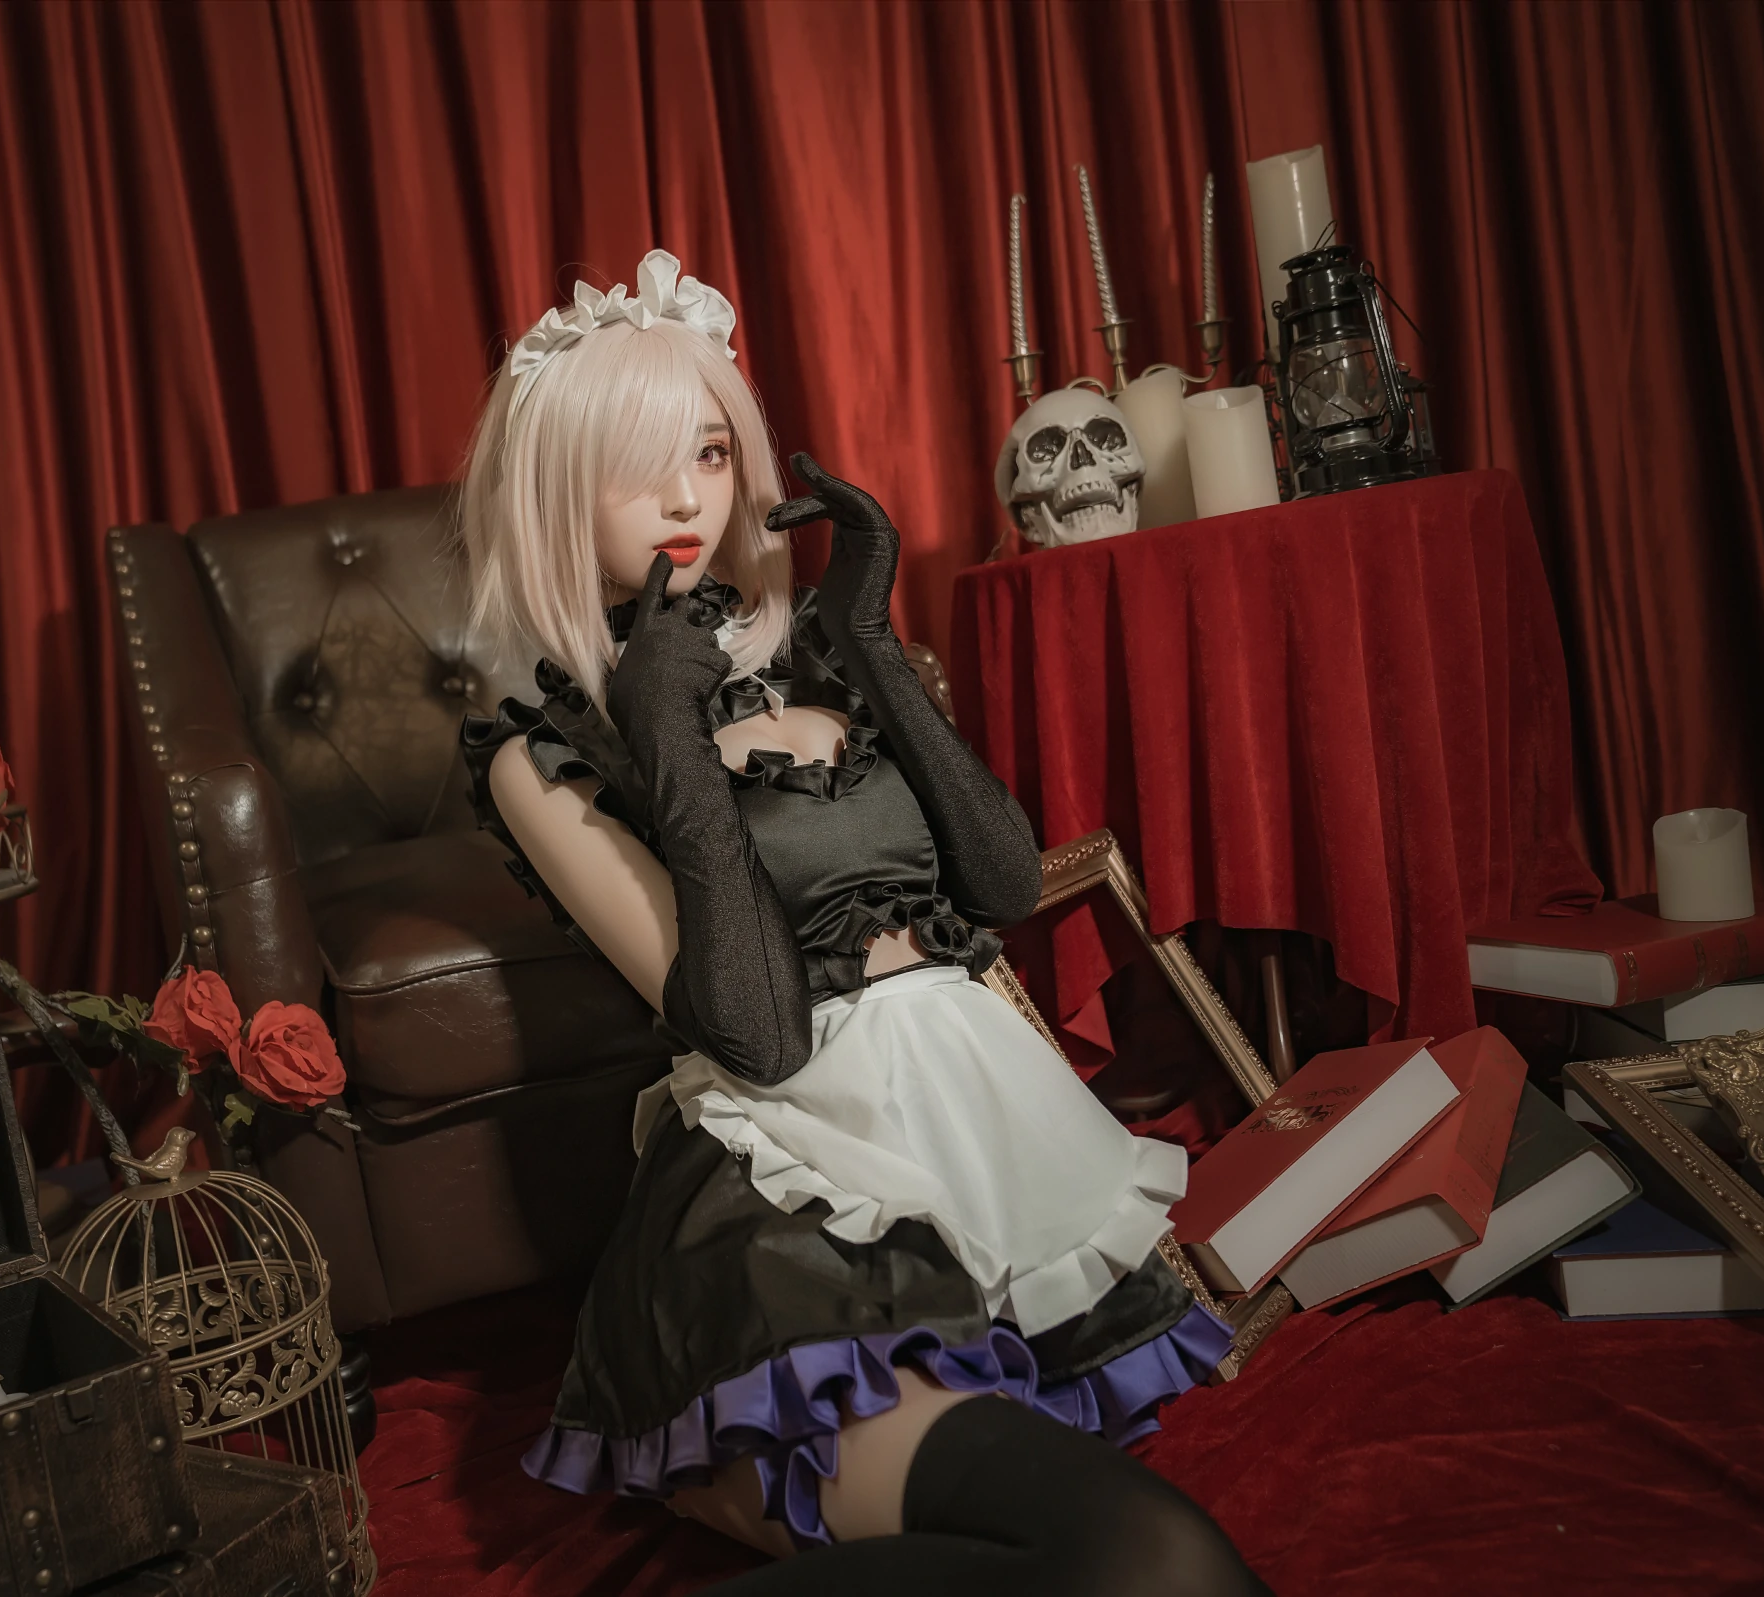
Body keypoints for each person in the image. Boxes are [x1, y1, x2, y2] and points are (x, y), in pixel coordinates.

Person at [458, 250, 1266, 1594]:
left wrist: (869, 634)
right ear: (555, 494)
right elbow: (762, 1036)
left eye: (711, 451)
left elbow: (1003, 887)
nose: (687, 497)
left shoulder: (817, 659)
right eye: (637, 466)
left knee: (1140, 1562)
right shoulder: (543, 750)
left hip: (981, 1168)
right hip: (784, 1213)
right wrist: (665, 731)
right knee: (1147, 1560)